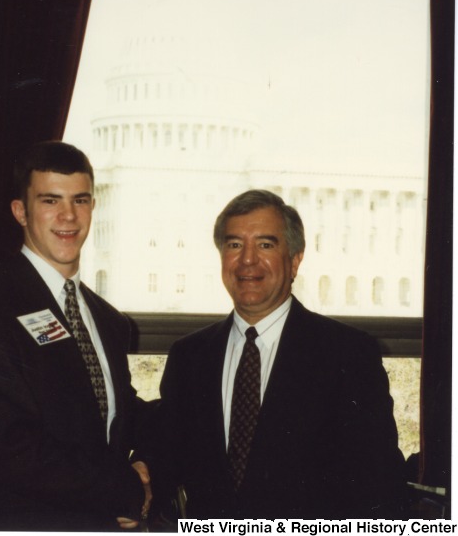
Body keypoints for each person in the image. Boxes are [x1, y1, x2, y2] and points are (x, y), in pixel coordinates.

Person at [147, 189, 408, 520]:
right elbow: (168, 458)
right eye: (234, 245)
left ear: (295, 260)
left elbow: (379, 486)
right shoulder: (189, 357)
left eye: (266, 245)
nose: (248, 260)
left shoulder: (347, 355)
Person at [0, 141, 152, 531]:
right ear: (20, 211)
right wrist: (122, 488)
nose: (68, 216)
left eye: (81, 200)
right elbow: (10, 450)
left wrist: (154, 455)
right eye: (50, 201)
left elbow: (110, 412)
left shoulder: (108, 320)